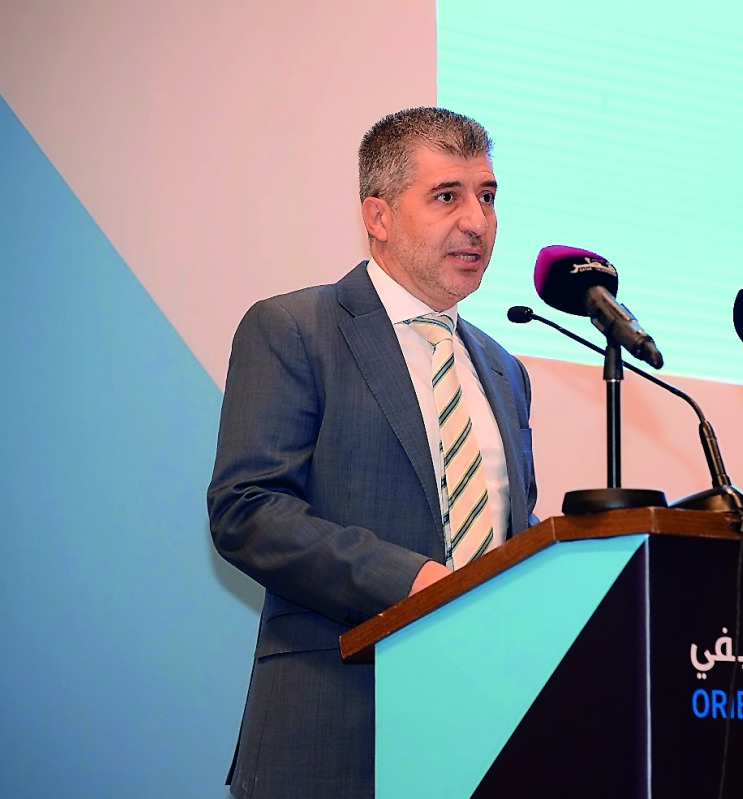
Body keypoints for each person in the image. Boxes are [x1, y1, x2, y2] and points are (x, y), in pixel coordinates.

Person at [207, 107, 538, 798]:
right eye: (447, 196)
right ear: (378, 216)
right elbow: (248, 509)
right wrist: (411, 580)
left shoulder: (505, 370)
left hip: (481, 738)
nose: (477, 221)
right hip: (336, 730)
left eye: (488, 196)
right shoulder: (295, 329)